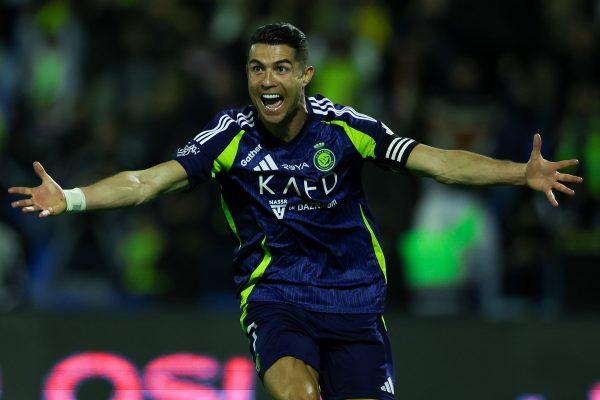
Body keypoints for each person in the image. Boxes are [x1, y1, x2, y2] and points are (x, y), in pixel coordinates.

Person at [8, 22, 582, 400]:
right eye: (257, 68)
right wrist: (73, 197)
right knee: (299, 396)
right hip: (277, 295)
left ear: (304, 75)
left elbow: (436, 162)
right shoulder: (229, 138)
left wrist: (519, 172)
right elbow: (146, 182)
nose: (268, 80)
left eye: (281, 67)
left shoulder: (346, 128)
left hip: (356, 299)